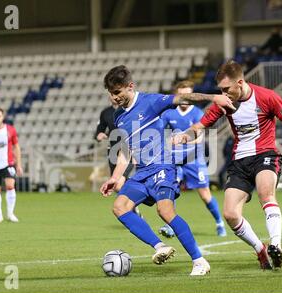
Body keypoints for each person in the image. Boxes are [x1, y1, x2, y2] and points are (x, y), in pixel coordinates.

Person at [174, 60, 282, 270]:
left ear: (240, 83)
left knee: (266, 193)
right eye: (220, 90)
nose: (223, 94)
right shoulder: (224, 103)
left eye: (226, 89)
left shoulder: (267, 97)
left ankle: (276, 245)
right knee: (230, 214)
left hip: (265, 155)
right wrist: (185, 136)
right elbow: (199, 126)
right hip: (239, 161)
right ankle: (261, 249)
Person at [99, 65, 234, 276]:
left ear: (130, 87)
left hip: (163, 166)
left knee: (165, 211)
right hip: (142, 172)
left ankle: (199, 261)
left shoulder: (151, 101)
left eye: (117, 92)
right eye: (110, 93)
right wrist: (115, 178)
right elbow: (125, 152)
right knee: (120, 207)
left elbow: (183, 99)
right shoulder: (119, 117)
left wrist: (214, 97)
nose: (114, 97)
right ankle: (160, 247)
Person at [157, 80, 227, 238]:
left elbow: (200, 138)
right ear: (177, 95)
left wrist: (181, 140)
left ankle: (219, 222)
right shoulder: (169, 113)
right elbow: (161, 134)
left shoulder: (197, 113)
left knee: (204, 194)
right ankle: (170, 225)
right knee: (170, 190)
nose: (185, 97)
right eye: (182, 94)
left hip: (193, 160)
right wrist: (166, 141)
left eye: (188, 94)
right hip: (175, 160)